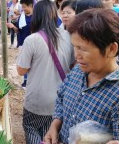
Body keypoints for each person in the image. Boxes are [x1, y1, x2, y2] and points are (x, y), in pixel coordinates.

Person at [44, 9, 119, 144]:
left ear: (111, 49)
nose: (77, 55)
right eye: (75, 47)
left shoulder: (116, 94)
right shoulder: (78, 70)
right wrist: (55, 125)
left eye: (83, 49)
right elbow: (61, 97)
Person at [16, 0, 74, 144]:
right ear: (55, 15)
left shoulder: (32, 40)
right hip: (59, 102)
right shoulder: (68, 37)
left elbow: (21, 70)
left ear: (37, 16)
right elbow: (73, 66)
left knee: (31, 129)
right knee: (50, 135)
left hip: (36, 100)